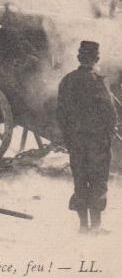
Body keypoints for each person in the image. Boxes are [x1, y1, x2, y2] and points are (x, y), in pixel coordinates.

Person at [56, 40, 118, 233]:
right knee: (98, 181)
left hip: (76, 141)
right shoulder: (98, 81)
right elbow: (110, 113)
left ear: (79, 58)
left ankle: (83, 226)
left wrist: (68, 137)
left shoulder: (67, 80)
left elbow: (61, 113)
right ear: (96, 59)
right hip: (97, 142)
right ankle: (96, 227)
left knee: (80, 180)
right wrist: (110, 131)